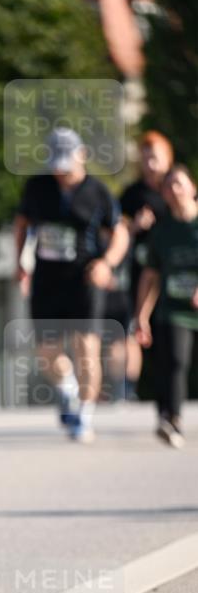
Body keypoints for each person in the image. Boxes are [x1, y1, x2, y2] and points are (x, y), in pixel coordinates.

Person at [14, 128, 129, 443]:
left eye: (67, 162)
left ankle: (85, 414)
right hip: (47, 279)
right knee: (46, 353)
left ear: (82, 156)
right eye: (56, 163)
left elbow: (119, 233)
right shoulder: (37, 188)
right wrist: (19, 263)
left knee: (86, 348)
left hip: (84, 278)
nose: (61, 170)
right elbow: (22, 225)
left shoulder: (98, 192)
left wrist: (107, 263)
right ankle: (68, 389)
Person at [135, 164, 198, 448]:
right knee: (175, 362)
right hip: (174, 310)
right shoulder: (162, 232)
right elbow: (151, 276)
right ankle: (172, 420)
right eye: (168, 185)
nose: (174, 190)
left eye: (179, 184)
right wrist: (142, 316)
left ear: (192, 188)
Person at [115, 132, 174, 398]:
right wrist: (134, 226)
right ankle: (127, 391)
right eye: (146, 158)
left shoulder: (176, 186)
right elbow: (113, 229)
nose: (150, 164)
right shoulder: (132, 193)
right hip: (139, 269)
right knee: (132, 327)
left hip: (173, 271)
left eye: (155, 158)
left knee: (170, 329)